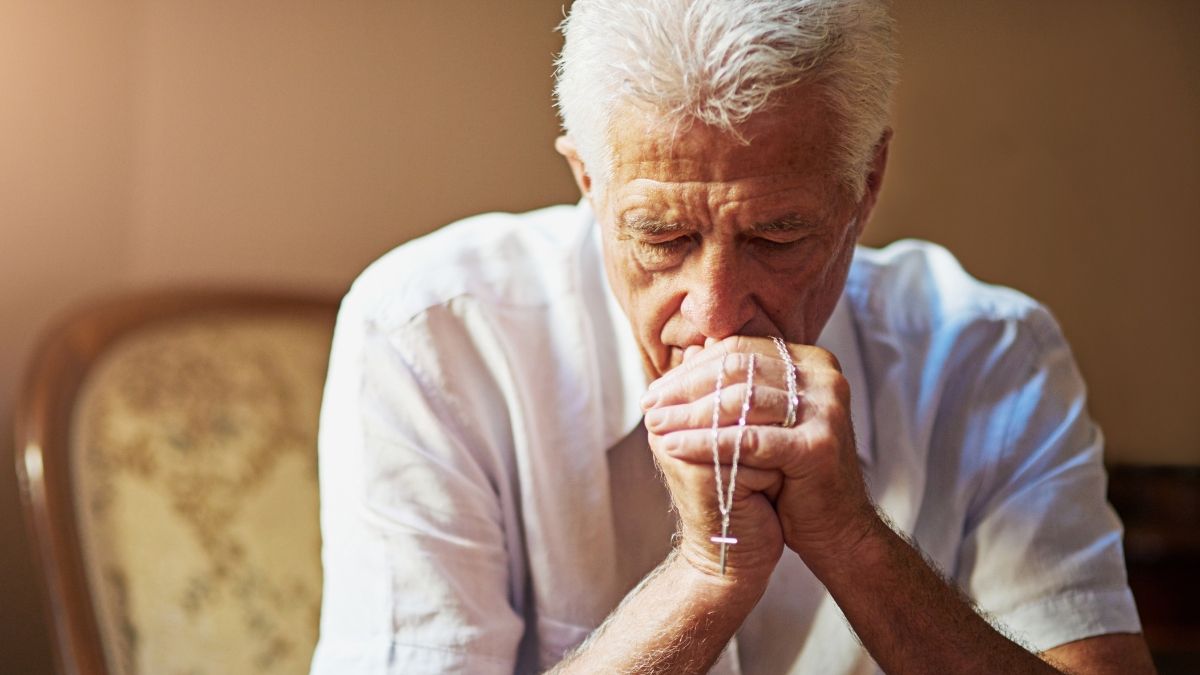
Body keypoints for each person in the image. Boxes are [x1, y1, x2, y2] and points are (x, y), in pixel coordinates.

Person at [310, 1, 1156, 673]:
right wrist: (703, 579)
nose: (715, 312)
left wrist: (856, 544)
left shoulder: (991, 359)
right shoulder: (430, 336)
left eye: (779, 235)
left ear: (866, 187)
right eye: (662, 236)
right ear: (587, 182)